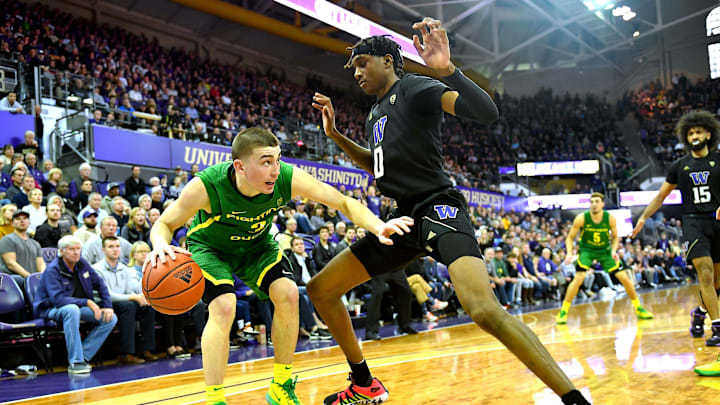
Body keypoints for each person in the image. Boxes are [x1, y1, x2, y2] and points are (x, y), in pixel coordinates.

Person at [308, 20, 589, 405]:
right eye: (354, 68)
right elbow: (377, 168)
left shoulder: (415, 88)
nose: (356, 74)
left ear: (388, 61)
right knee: (321, 289)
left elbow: (486, 112)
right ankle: (363, 384)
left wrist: (446, 70)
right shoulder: (375, 114)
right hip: (402, 219)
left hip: (437, 205)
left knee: (483, 310)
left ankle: (574, 398)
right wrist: (336, 136)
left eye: (362, 64)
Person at [145, 127, 412, 405]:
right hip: (212, 249)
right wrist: (160, 244)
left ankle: (281, 386)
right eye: (266, 162)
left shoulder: (286, 177)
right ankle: (215, 400)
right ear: (240, 166)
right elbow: (164, 224)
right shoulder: (207, 186)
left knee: (288, 293)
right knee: (224, 306)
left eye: (278, 159)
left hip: (257, 245)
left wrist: (378, 226)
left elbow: (342, 201)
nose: (275, 170)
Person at [631, 110, 720, 375]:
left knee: (716, 282)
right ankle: (717, 326)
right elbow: (660, 197)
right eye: (690, 133)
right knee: (704, 272)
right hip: (693, 222)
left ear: (708, 134)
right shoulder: (679, 166)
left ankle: (699, 312)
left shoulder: (719, 161)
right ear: (686, 137)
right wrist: (643, 218)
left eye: (698, 132)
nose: (694, 136)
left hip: (717, 220)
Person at [557, 193, 652, 324]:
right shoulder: (581, 218)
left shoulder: (610, 218)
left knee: (624, 277)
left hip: (604, 251)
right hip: (587, 251)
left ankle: (639, 308)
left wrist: (613, 251)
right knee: (578, 278)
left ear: (602, 204)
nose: (594, 204)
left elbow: (615, 237)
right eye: (592, 202)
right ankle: (563, 312)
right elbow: (570, 238)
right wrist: (569, 253)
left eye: (597, 201)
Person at [32, 235, 117, 374]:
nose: (76, 252)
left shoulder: (82, 264)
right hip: (50, 309)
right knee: (72, 310)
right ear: (61, 251)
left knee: (110, 318)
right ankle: (76, 362)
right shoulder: (53, 270)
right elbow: (57, 300)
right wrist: (87, 302)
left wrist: (107, 306)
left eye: (78, 249)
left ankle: (82, 355)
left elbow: (101, 285)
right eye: (72, 249)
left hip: (77, 307)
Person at [93, 236, 157, 364]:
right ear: (103, 250)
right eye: (111, 247)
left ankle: (146, 349)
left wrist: (140, 298)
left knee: (146, 306)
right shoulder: (96, 269)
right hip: (103, 304)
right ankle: (126, 353)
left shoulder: (124, 268)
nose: (115, 249)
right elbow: (108, 295)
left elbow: (129, 291)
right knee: (129, 306)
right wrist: (134, 297)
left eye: (117, 246)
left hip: (123, 302)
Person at [0, 210, 45, 291]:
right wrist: (31, 279)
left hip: (31, 282)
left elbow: (41, 264)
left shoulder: (35, 243)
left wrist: (42, 277)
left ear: (29, 222)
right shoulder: (7, 240)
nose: (22, 221)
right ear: (12, 223)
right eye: (18, 219)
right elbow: (11, 264)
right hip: (13, 282)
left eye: (25, 218)